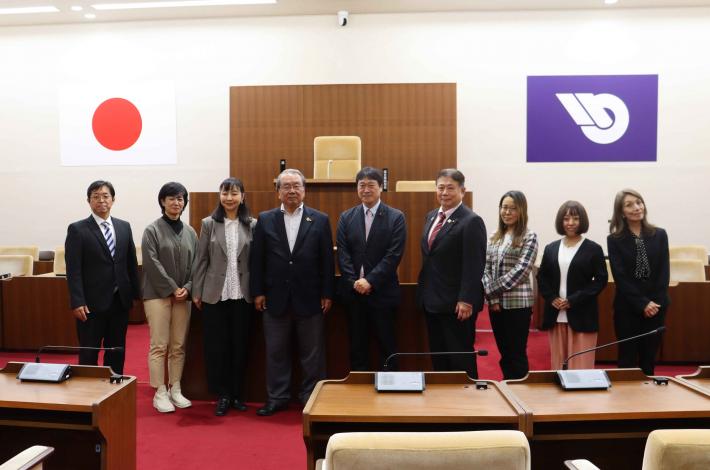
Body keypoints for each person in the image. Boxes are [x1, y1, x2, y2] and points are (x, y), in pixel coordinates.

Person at [250, 168, 335, 416]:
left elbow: (327, 261)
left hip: (310, 298)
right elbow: (258, 259)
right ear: (278, 192)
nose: (291, 190)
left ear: (304, 190)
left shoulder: (319, 219)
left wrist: (327, 293)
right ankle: (277, 397)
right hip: (275, 298)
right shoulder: (265, 219)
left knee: (313, 355)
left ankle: (311, 398)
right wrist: (258, 292)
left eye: (296, 186)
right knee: (276, 352)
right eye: (286, 186)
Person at [192, 177, 256, 416]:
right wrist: (197, 291)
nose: (229, 198)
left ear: (242, 196)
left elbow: (256, 262)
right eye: (225, 193)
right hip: (214, 294)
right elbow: (201, 260)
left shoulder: (252, 224)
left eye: (234, 193)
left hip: (243, 294)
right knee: (216, 347)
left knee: (240, 346)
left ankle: (237, 394)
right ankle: (223, 395)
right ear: (220, 196)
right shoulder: (208, 223)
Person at [416, 169, 487, 379]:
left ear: (462, 191)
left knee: (460, 358)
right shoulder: (431, 216)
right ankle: (443, 401)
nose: (444, 192)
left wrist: (466, 299)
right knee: (439, 357)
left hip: (457, 305)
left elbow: (474, 265)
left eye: (450, 188)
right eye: (440, 187)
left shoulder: (471, 221)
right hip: (431, 301)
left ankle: (468, 404)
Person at [65, 180, 140, 375]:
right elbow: (73, 270)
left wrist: (135, 294)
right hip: (91, 304)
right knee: (89, 351)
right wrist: (77, 301)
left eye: (105, 196)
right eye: (95, 197)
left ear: (113, 200)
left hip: (119, 301)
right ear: (88, 201)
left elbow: (130, 262)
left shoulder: (124, 227)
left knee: (116, 350)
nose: (101, 200)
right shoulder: (77, 229)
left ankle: (115, 389)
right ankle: (87, 392)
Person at [336, 167, 406, 371]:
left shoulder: (396, 217)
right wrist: (354, 282)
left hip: (383, 293)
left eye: (370, 185)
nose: (366, 190)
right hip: (353, 295)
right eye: (361, 185)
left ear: (381, 187)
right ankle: (360, 392)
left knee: (387, 345)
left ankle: (390, 391)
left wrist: (370, 281)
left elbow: (394, 255)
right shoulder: (346, 217)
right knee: (357, 346)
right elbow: (343, 253)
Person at [141, 182, 198, 413]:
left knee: (178, 345)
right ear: (162, 201)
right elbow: (151, 263)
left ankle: (175, 387)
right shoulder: (151, 230)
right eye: (172, 198)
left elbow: (198, 263)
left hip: (184, 296)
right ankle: (160, 391)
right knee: (159, 345)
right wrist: (173, 288)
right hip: (157, 295)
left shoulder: (191, 232)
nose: (177, 202)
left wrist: (188, 287)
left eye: (181, 198)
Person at [537, 201, 608, 370]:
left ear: (582, 221)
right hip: (556, 315)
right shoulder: (551, 248)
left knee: (580, 367)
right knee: (558, 367)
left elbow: (600, 281)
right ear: (560, 221)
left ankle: (581, 397)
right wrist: (552, 298)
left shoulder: (593, 249)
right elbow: (542, 277)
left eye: (575, 218)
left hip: (582, 314)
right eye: (566, 218)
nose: (570, 223)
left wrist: (573, 300)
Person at [607, 189, 670, 376]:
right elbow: (621, 277)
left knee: (648, 359)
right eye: (629, 205)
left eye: (639, 202)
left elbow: (663, 272)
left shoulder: (659, 234)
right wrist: (642, 303)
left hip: (656, 306)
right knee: (627, 359)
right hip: (628, 307)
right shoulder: (614, 240)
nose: (636, 207)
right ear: (621, 212)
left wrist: (653, 303)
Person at [484, 190, 538, 380]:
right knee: (504, 352)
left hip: (518, 305)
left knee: (516, 353)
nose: (507, 212)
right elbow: (485, 268)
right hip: (495, 304)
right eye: (504, 207)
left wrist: (490, 291)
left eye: (512, 208)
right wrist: (493, 298)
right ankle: (507, 386)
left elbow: (521, 271)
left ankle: (520, 393)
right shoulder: (493, 235)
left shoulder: (529, 236)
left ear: (521, 211)